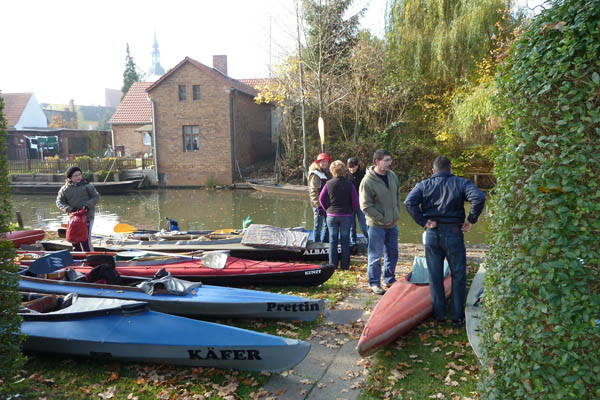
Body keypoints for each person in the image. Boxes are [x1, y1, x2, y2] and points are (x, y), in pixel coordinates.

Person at [404, 155, 485, 327]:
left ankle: (439, 315)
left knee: (434, 276)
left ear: (433, 171)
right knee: (458, 275)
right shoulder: (461, 183)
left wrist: (423, 221)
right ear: (450, 169)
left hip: (432, 233)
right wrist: (471, 220)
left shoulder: (423, 185)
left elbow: (409, 202)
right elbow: (479, 198)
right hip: (454, 233)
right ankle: (457, 317)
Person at [359, 149, 402, 294]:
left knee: (393, 253)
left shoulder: (392, 176)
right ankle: (374, 283)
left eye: (390, 160)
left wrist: (397, 213)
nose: (389, 163)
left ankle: (389, 278)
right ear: (377, 161)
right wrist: (382, 219)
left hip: (392, 224)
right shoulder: (368, 181)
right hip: (376, 226)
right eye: (386, 160)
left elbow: (397, 195)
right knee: (375, 256)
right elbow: (365, 206)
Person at [319, 160, 359, 270]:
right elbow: (356, 201)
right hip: (346, 215)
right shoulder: (349, 184)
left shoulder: (328, 184)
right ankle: (345, 266)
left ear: (332, 171)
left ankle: (333, 265)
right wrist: (351, 210)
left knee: (333, 240)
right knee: (345, 241)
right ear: (344, 171)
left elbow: (321, 199)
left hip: (332, 215)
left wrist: (327, 209)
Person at [56, 166, 100, 252]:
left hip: (87, 217)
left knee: (86, 240)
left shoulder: (88, 186)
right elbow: (59, 202)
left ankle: (91, 257)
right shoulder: (65, 189)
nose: (79, 177)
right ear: (70, 177)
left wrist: (87, 206)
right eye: (75, 175)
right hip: (74, 218)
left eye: (80, 175)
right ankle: (78, 257)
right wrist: (69, 208)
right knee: (75, 240)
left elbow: (96, 197)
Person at [308, 153, 332, 243]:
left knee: (328, 224)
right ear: (318, 163)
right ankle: (316, 243)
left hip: (327, 204)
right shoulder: (315, 174)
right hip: (318, 205)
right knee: (318, 225)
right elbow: (313, 192)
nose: (325, 163)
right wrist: (318, 206)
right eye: (323, 162)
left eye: (326, 161)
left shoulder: (327, 172)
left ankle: (325, 243)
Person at [347, 157, 369, 245]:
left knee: (364, 225)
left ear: (357, 165)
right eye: (350, 166)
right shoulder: (346, 175)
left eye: (354, 166)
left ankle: (369, 241)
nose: (352, 168)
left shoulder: (363, 174)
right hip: (350, 204)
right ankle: (353, 243)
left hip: (361, 203)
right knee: (352, 226)